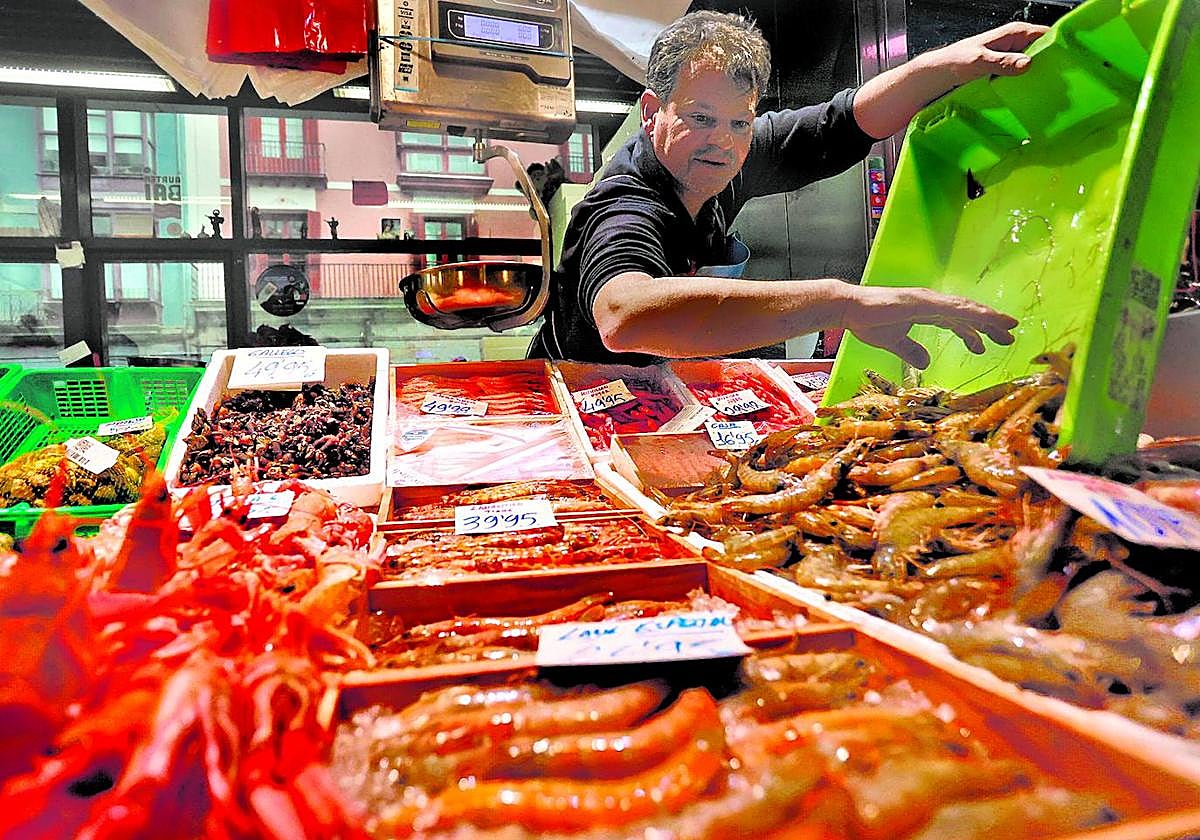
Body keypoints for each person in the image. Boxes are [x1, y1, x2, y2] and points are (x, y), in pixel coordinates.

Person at [527, 11, 1048, 367]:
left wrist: (945, 65)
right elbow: (624, 315)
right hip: (581, 396)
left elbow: (843, 123)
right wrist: (840, 303)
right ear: (650, 112)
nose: (722, 142)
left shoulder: (729, 154)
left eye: (739, 121)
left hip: (664, 383)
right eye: (700, 118)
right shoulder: (627, 203)